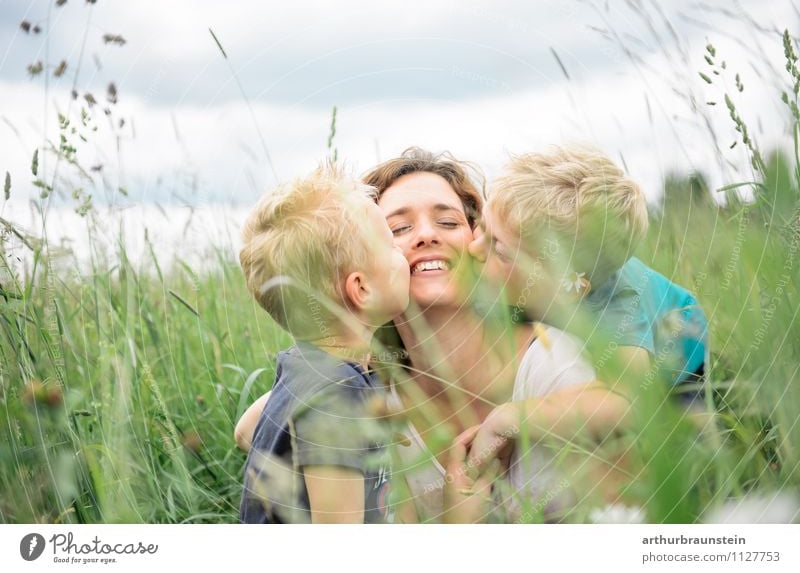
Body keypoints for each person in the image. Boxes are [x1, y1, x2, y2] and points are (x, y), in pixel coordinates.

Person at [236, 148, 626, 523]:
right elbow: (252, 428)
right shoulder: (363, 389)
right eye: (397, 231)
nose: (425, 235)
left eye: (449, 222)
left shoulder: (550, 362)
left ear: (480, 244)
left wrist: (509, 419)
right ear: (357, 278)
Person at [463, 145, 709, 508]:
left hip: (679, 370)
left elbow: (624, 402)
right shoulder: (541, 287)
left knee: (675, 462)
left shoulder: (619, 303)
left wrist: (509, 418)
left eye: (498, 248)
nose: (473, 249)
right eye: (482, 229)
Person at [237, 163, 410, 523]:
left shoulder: (308, 370)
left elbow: (246, 430)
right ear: (362, 289)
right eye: (392, 244)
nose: (403, 253)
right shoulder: (336, 393)